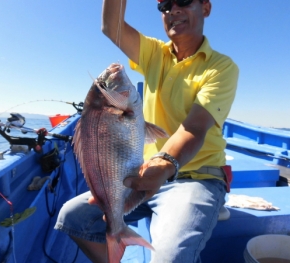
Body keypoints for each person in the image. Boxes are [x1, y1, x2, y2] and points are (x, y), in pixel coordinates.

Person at [55, 0, 239, 262]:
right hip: (144, 173)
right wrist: (150, 172)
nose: (173, 10)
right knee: (72, 217)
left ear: (206, 8)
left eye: (183, 1)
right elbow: (111, 26)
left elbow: (195, 128)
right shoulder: (155, 53)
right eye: (164, 5)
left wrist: (164, 165)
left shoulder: (221, 67)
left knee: (170, 258)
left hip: (197, 178)